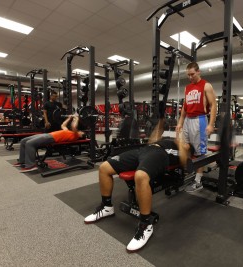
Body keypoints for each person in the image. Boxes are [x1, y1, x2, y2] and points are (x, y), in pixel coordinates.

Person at [84, 119, 194, 252]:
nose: (184, 142)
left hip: (160, 155)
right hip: (144, 150)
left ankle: (146, 224)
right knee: (104, 168)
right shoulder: (167, 141)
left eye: (187, 144)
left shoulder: (181, 150)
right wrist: (159, 127)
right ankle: (107, 207)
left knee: (140, 176)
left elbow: (183, 160)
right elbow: (152, 142)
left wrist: (181, 140)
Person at [175, 62, 217, 192]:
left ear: (198, 72)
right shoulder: (187, 88)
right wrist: (180, 122)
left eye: (192, 74)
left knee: (200, 153)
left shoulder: (206, 85)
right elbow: (185, 108)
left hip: (200, 120)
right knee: (185, 146)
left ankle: (198, 181)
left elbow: (214, 105)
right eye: (188, 75)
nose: (190, 77)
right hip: (188, 120)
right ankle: (190, 170)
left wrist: (211, 124)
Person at [13, 115, 85, 172]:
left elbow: (74, 126)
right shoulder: (70, 132)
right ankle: (22, 161)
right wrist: (69, 118)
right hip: (48, 134)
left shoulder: (75, 136)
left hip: (51, 138)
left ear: (81, 136)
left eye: (82, 132)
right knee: (23, 141)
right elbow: (63, 125)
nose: (81, 131)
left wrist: (76, 118)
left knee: (29, 143)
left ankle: (31, 165)